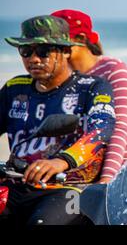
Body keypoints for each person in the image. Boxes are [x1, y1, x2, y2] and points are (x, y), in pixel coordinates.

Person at [0, 15, 115, 225]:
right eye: (26, 51)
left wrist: (62, 161)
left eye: (43, 52)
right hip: (16, 184)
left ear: (66, 51)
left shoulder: (92, 87)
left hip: (69, 189)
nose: (33, 59)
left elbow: (102, 129)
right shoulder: (13, 88)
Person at [51, 9, 127, 183]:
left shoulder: (112, 69)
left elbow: (120, 126)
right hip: (76, 173)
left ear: (81, 39)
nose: (55, 48)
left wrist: (106, 179)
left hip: (121, 171)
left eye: (61, 41)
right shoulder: (61, 77)